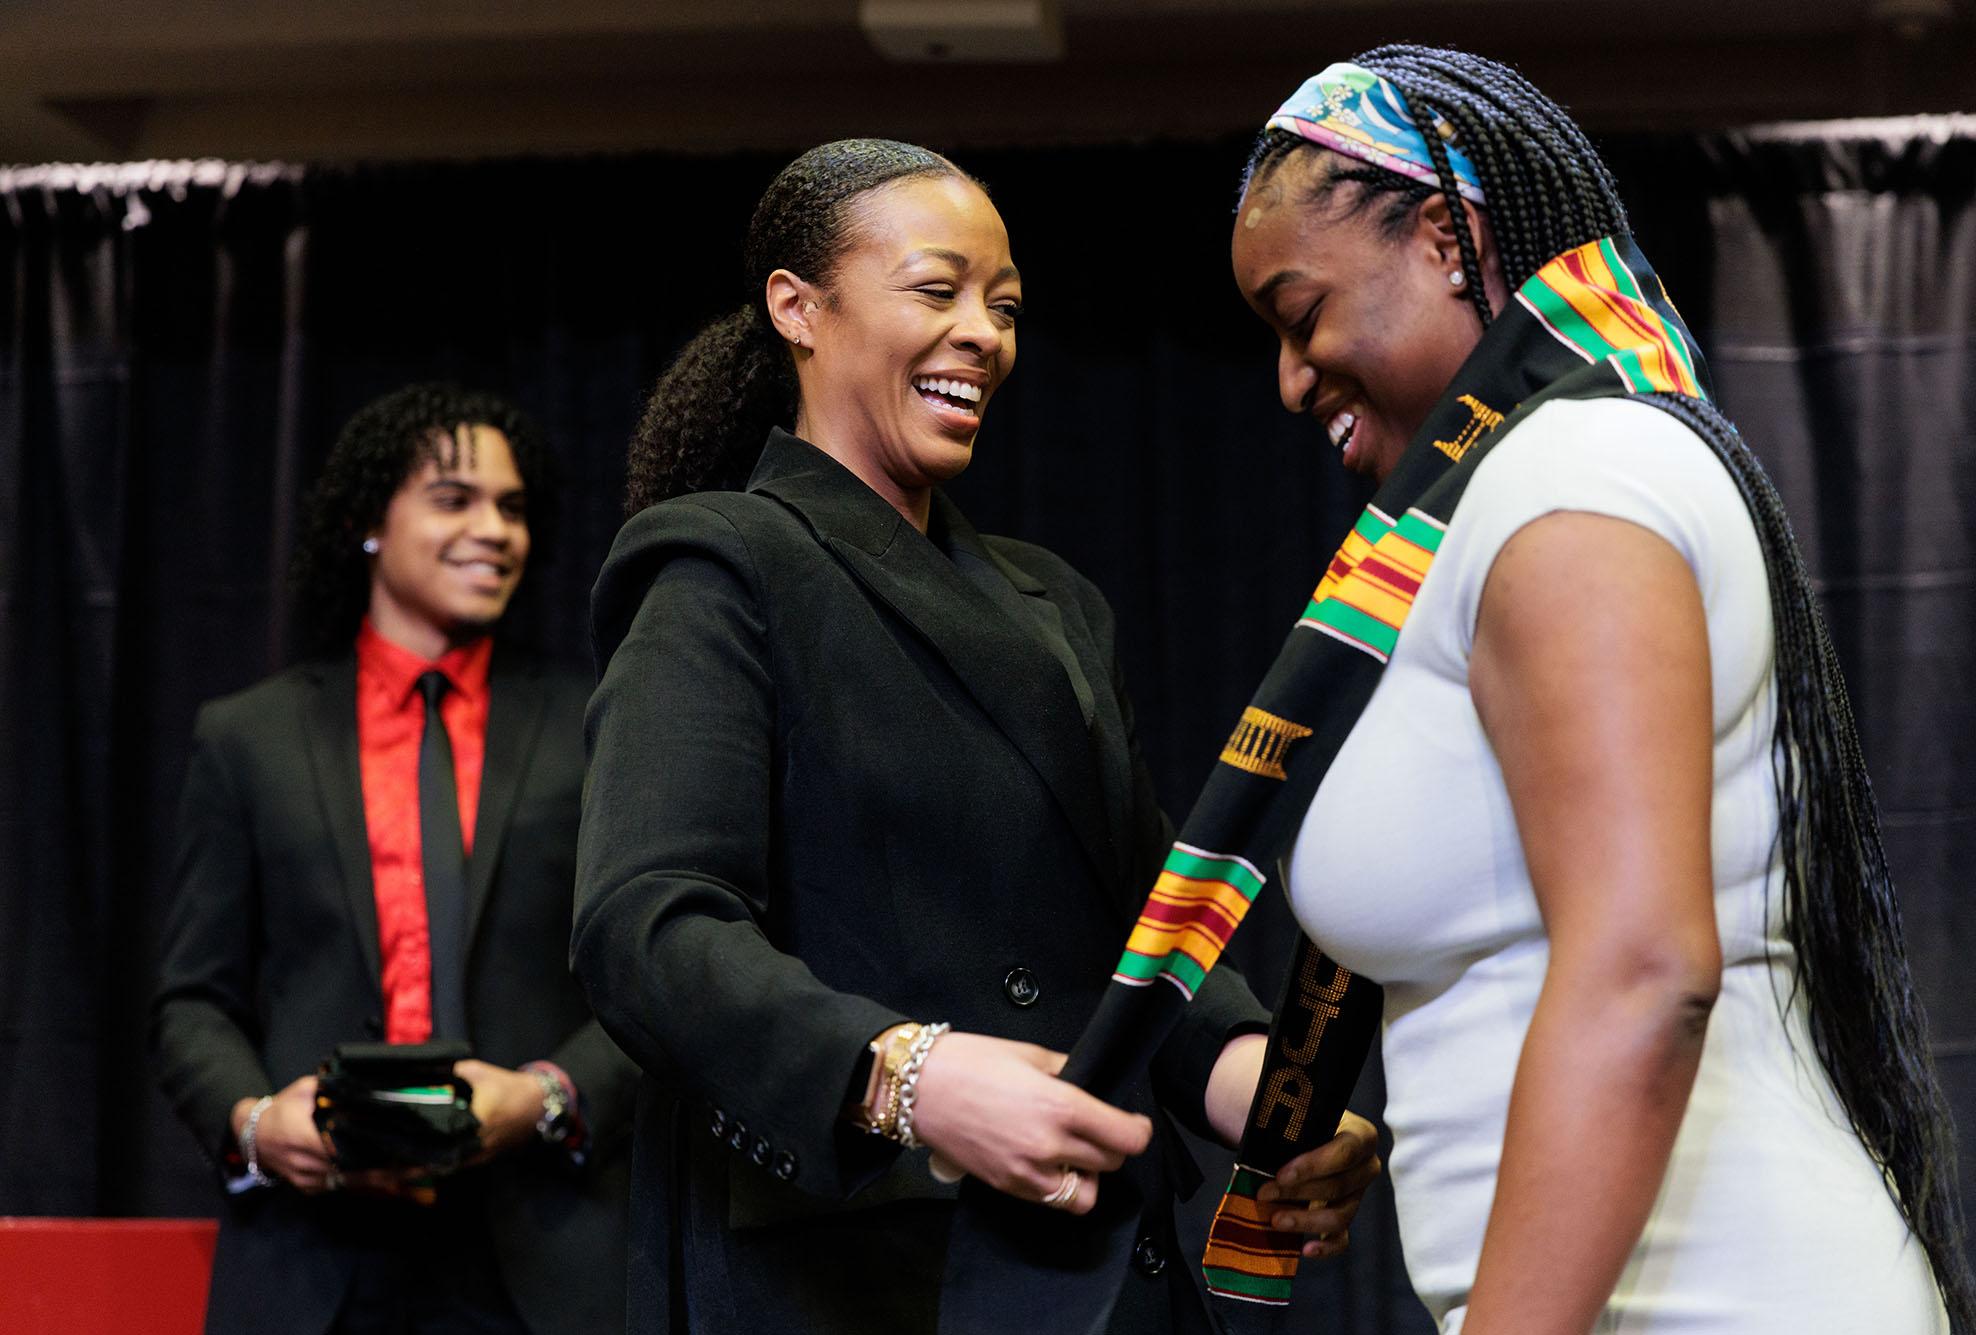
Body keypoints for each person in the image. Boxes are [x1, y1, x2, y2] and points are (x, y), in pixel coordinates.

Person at [1205, 44, 1974, 1333]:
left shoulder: (1565, 477)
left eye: (1301, 315)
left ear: (1448, 239)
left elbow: (1640, 971)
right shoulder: (1515, 502)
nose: (1289, 380)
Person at [569, 138, 1381, 1334]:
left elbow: (1139, 936)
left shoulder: (1053, 601)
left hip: (1109, 1270)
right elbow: (645, 929)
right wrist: (907, 1075)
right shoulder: (719, 564)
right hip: (867, 1274)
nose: (982, 335)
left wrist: (1268, 1097)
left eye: (1002, 306)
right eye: (934, 289)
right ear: (797, 308)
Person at [151, 383, 638, 1335]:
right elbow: (191, 1000)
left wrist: (548, 1096)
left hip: (543, 1262)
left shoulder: (596, 727)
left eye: (512, 506)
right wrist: (255, 1122)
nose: (494, 529)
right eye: (454, 499)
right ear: (368, 522)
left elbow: (654, 980)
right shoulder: (250, 736)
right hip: (312, 1261)